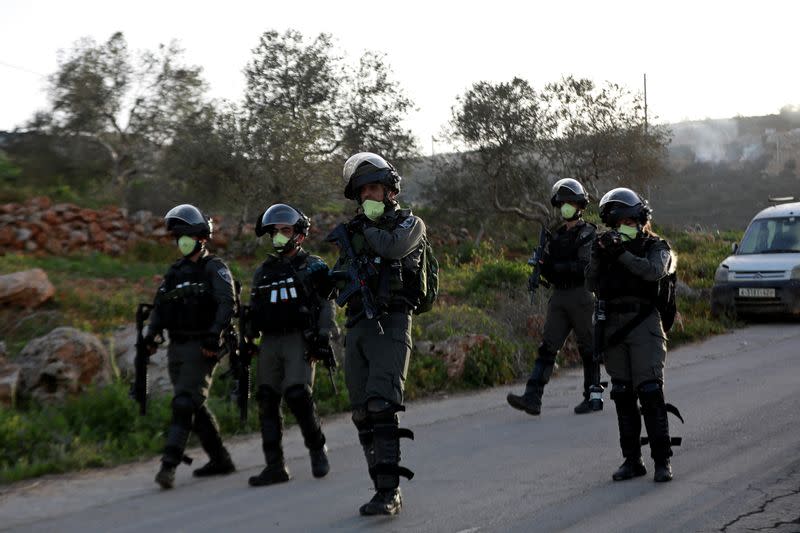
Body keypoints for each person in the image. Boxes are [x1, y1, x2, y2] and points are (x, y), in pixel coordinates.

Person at [329, 152, 425, 516]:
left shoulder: (410, 224)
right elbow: (340, 277)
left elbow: (393, 248)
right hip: (358, 326)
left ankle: (390, 492)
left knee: (381, 405)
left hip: (392, 322)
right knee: (360, 413)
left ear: (389, 191)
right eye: (363, 190)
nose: (368, 195)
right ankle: (379, 487)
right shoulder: (352, 234)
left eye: (374, 188)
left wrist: (363, 228)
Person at [585, 187, 677, 483]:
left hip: (644, 323)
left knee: (650, 391)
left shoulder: (656, 246)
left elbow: (652, 272)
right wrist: (599, 254)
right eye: (615, 224)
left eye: (625, 222)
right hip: (612, 324)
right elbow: (590, 282)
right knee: (622, 394)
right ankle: (632, 459)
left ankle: (662, 461)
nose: (620, 229)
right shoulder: (607, 246)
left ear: (639, 220)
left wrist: (620, 254)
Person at [142, 204, 237, 490]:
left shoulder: (214, 268)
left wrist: (213, 337)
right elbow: (160, 306)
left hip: (203, 347)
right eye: (177, 236)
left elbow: (227, 303)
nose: (180, 241)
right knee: (194, 403)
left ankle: (168, 466)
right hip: (177, 346)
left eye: (185, 235)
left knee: (184, 402)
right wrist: (151, 335)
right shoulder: (175, 271)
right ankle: (220, 459)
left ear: (200, 237)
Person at [242, 203, 336, 487]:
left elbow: (326, 304)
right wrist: (246, 336)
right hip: (270, 340)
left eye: (285, 230)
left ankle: (317, 448)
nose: (279, 236)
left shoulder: (314, 266)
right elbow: (254, 308)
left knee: (297, 393)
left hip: (299, 338)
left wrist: (323, 336)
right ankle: (275, 466)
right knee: (267, 399)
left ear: (299, 235)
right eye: (275, 231)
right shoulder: (264, 271)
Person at [507, 178, 600, 415]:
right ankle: (532, 397)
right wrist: (543, 266)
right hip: (559, 296)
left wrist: (555, 266)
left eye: (570, 202)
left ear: (579, 206)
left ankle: (593, 397)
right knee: (547, 347)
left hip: (581, 295)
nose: (566, 206)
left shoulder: (588, 233)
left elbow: (583, 266)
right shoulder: (556, 236)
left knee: (589, 349)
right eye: (563, 203)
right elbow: (550, 266)